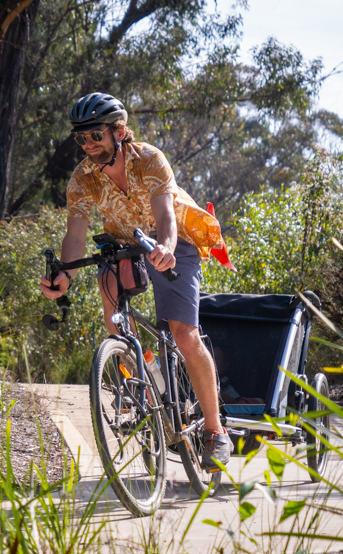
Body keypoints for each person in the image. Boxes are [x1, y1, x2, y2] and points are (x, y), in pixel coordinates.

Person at [39, 92, 232, 470]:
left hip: (174, 242)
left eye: (96, 135)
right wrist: (64, 274)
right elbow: (76, 235)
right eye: (82, 138)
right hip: (124, 243)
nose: (89, 145)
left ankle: (215, 431)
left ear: (119, 131)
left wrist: (165, 248)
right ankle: (138, 378)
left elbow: (166, 217)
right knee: (115, 320)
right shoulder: (82, 178)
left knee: (183, 335)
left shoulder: (149, 160)